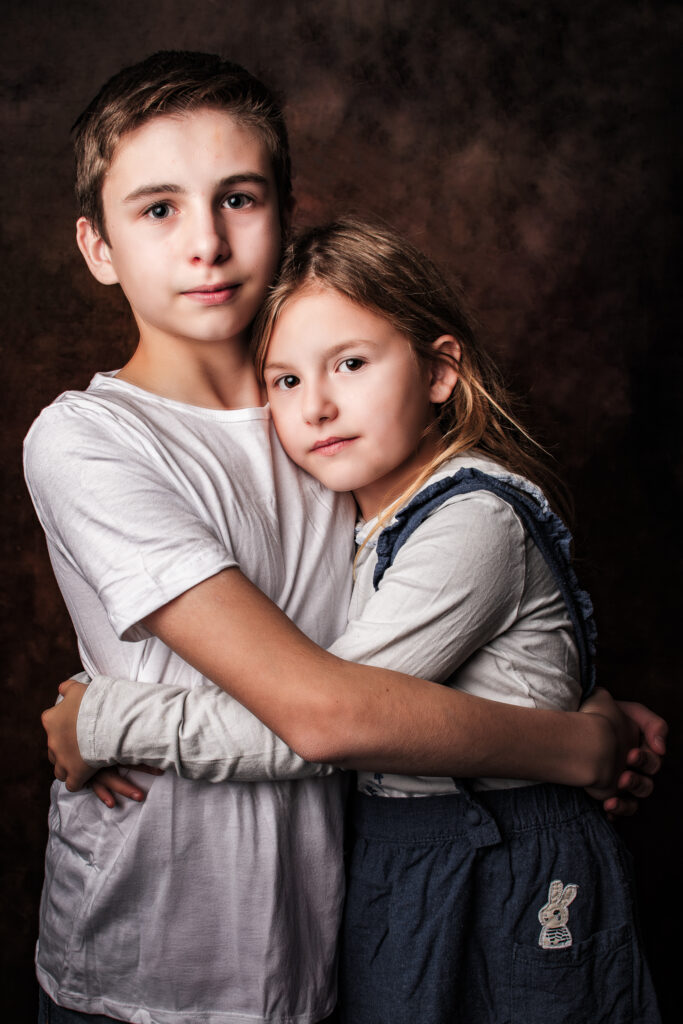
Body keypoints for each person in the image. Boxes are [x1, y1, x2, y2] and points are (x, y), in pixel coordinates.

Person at [30, 52, 663, 1024]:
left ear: (284, 215)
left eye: (237, 198)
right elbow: (323, 708)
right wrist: (568, 745)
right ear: (97, 245)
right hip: (150, 960)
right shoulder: (89, 439)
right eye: (157, 208)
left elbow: (399, 660)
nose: (205, 243)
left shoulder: (330, 434)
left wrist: (569, 702)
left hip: (332, 942)